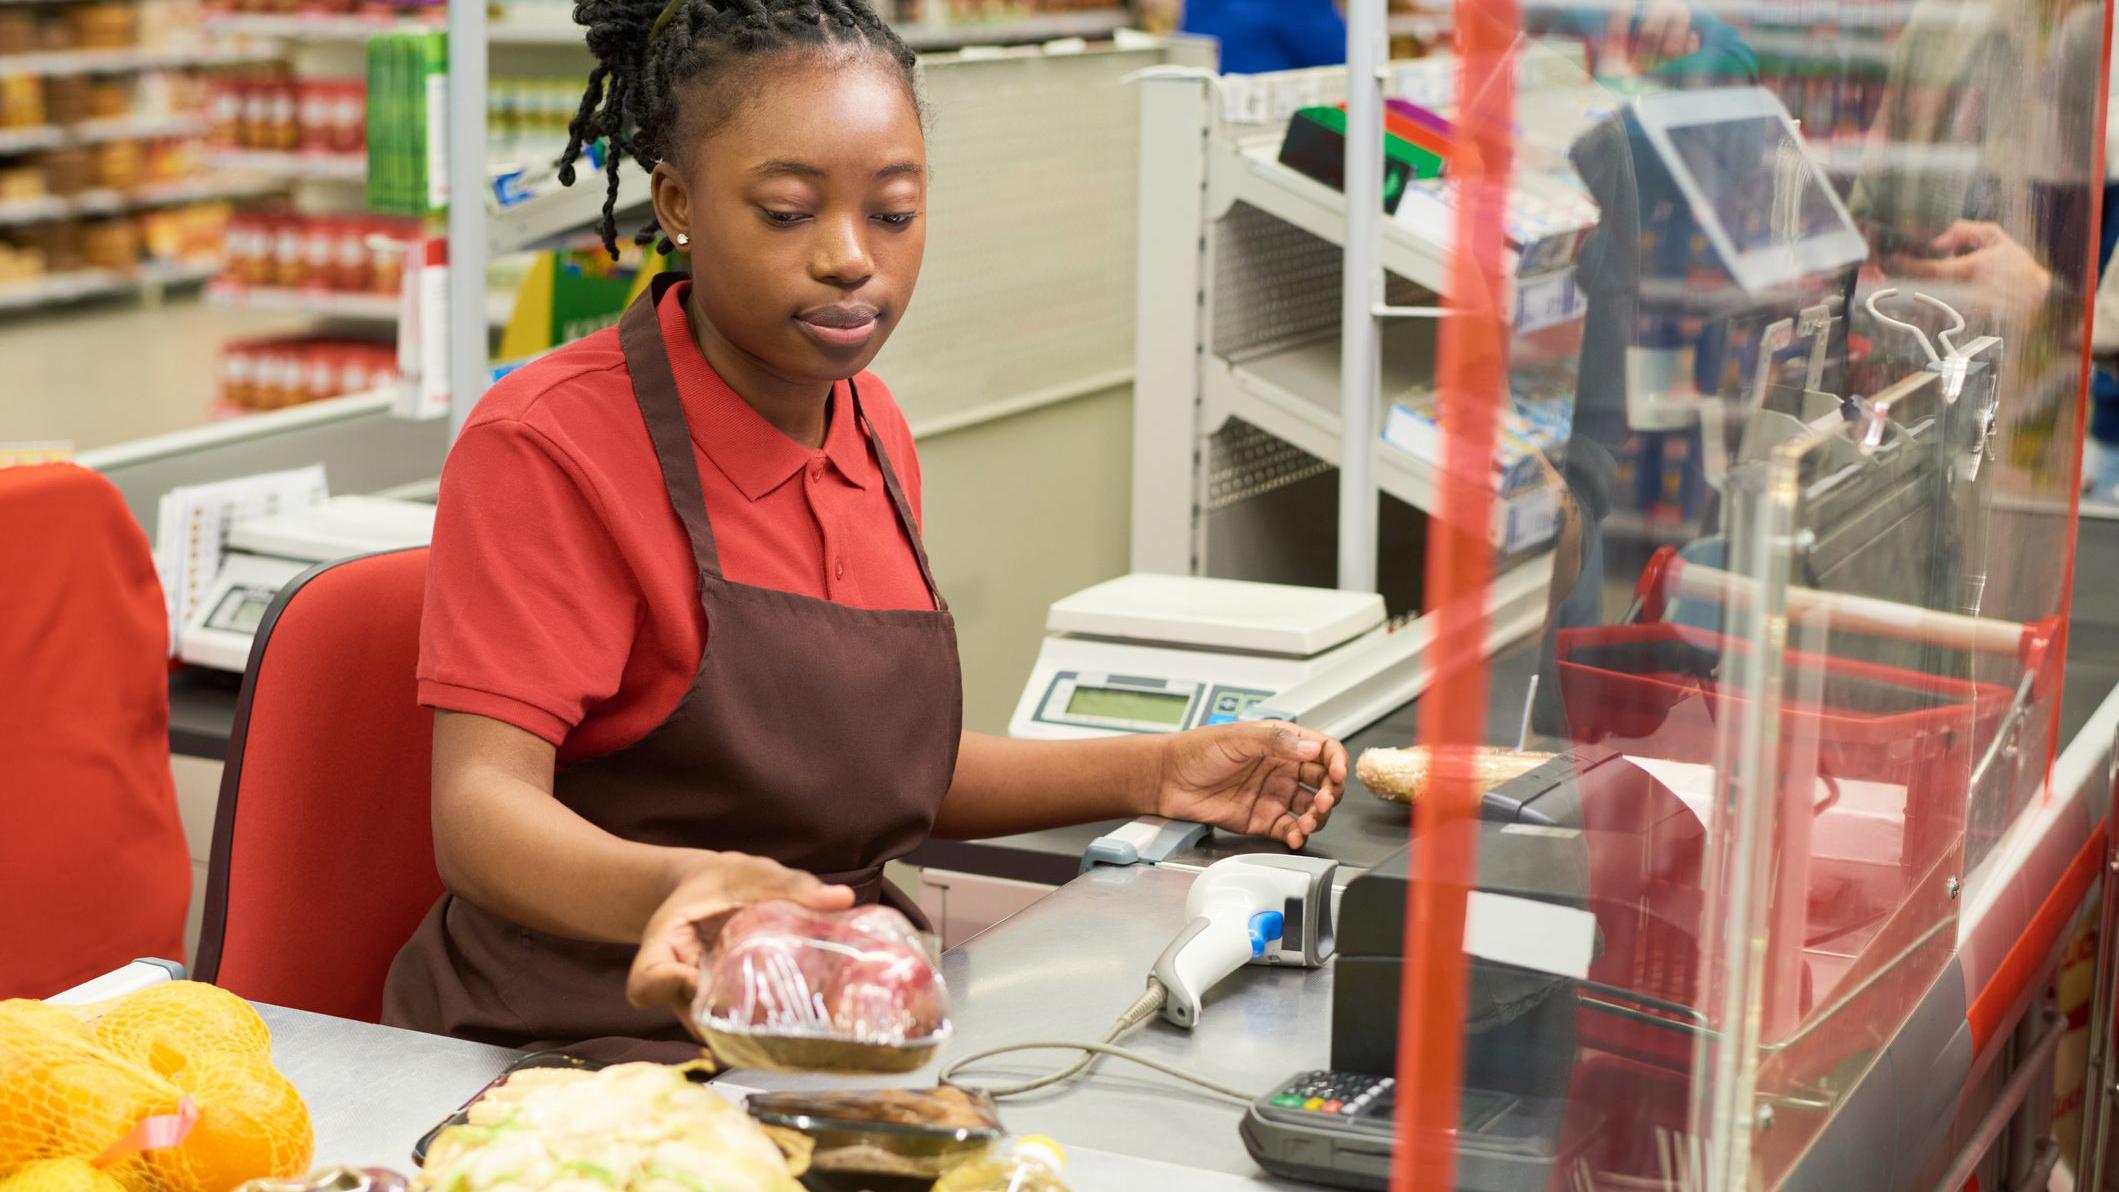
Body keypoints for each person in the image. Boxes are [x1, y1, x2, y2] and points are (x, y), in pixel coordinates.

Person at [380, 0, 1348, 1059]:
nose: (851, 258)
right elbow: (477, 812)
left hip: (829, 1022)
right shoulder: (550, 443)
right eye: (789, 211)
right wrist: (683, 889)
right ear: (678, 201)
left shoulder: (871, 425)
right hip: (583, 1035)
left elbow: (878, 776)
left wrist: (1158, 771)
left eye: (892, 213)